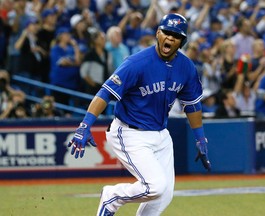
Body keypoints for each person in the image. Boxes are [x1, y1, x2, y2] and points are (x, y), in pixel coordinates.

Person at [68, 13, 211, 216]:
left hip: (161, 135)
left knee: (164, 195)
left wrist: (200, 137)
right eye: (166, 33)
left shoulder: (186, 67)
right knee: (155, 186)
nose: (170, 38)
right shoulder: (137, 63)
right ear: (157, 33)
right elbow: (105, 93)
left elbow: (192, 105)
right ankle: (111, 197)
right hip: (129, 132)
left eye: (175, 35)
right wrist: (85, 125)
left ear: (182, 41)